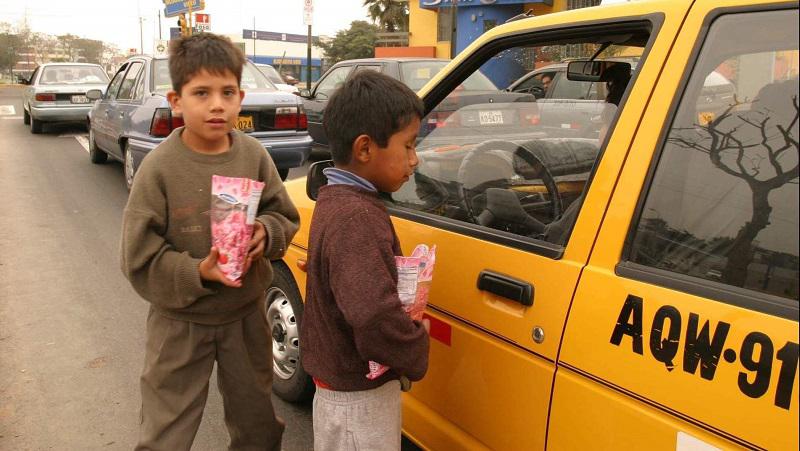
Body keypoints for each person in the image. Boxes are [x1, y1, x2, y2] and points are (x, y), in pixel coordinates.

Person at [119, 32, 299, 451]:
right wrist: (198, 270)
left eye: (228, 92)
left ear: (240, 97)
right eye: (201, 92)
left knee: (256, 424)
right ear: (176, 100)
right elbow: (138, 257)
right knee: (166, 430)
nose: (217, 104)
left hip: (245, 316)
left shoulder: (254, 155)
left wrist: (265, 232)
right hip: (180, 321)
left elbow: (284, 216)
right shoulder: (160, 169)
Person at [299, 70, 431, 451]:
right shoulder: (357, 218)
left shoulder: (335, 198)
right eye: (407, 146)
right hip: (358, 401)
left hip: (345, 395)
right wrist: (415, 347)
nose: (415, 159)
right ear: (365, 149)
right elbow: (373, 316)